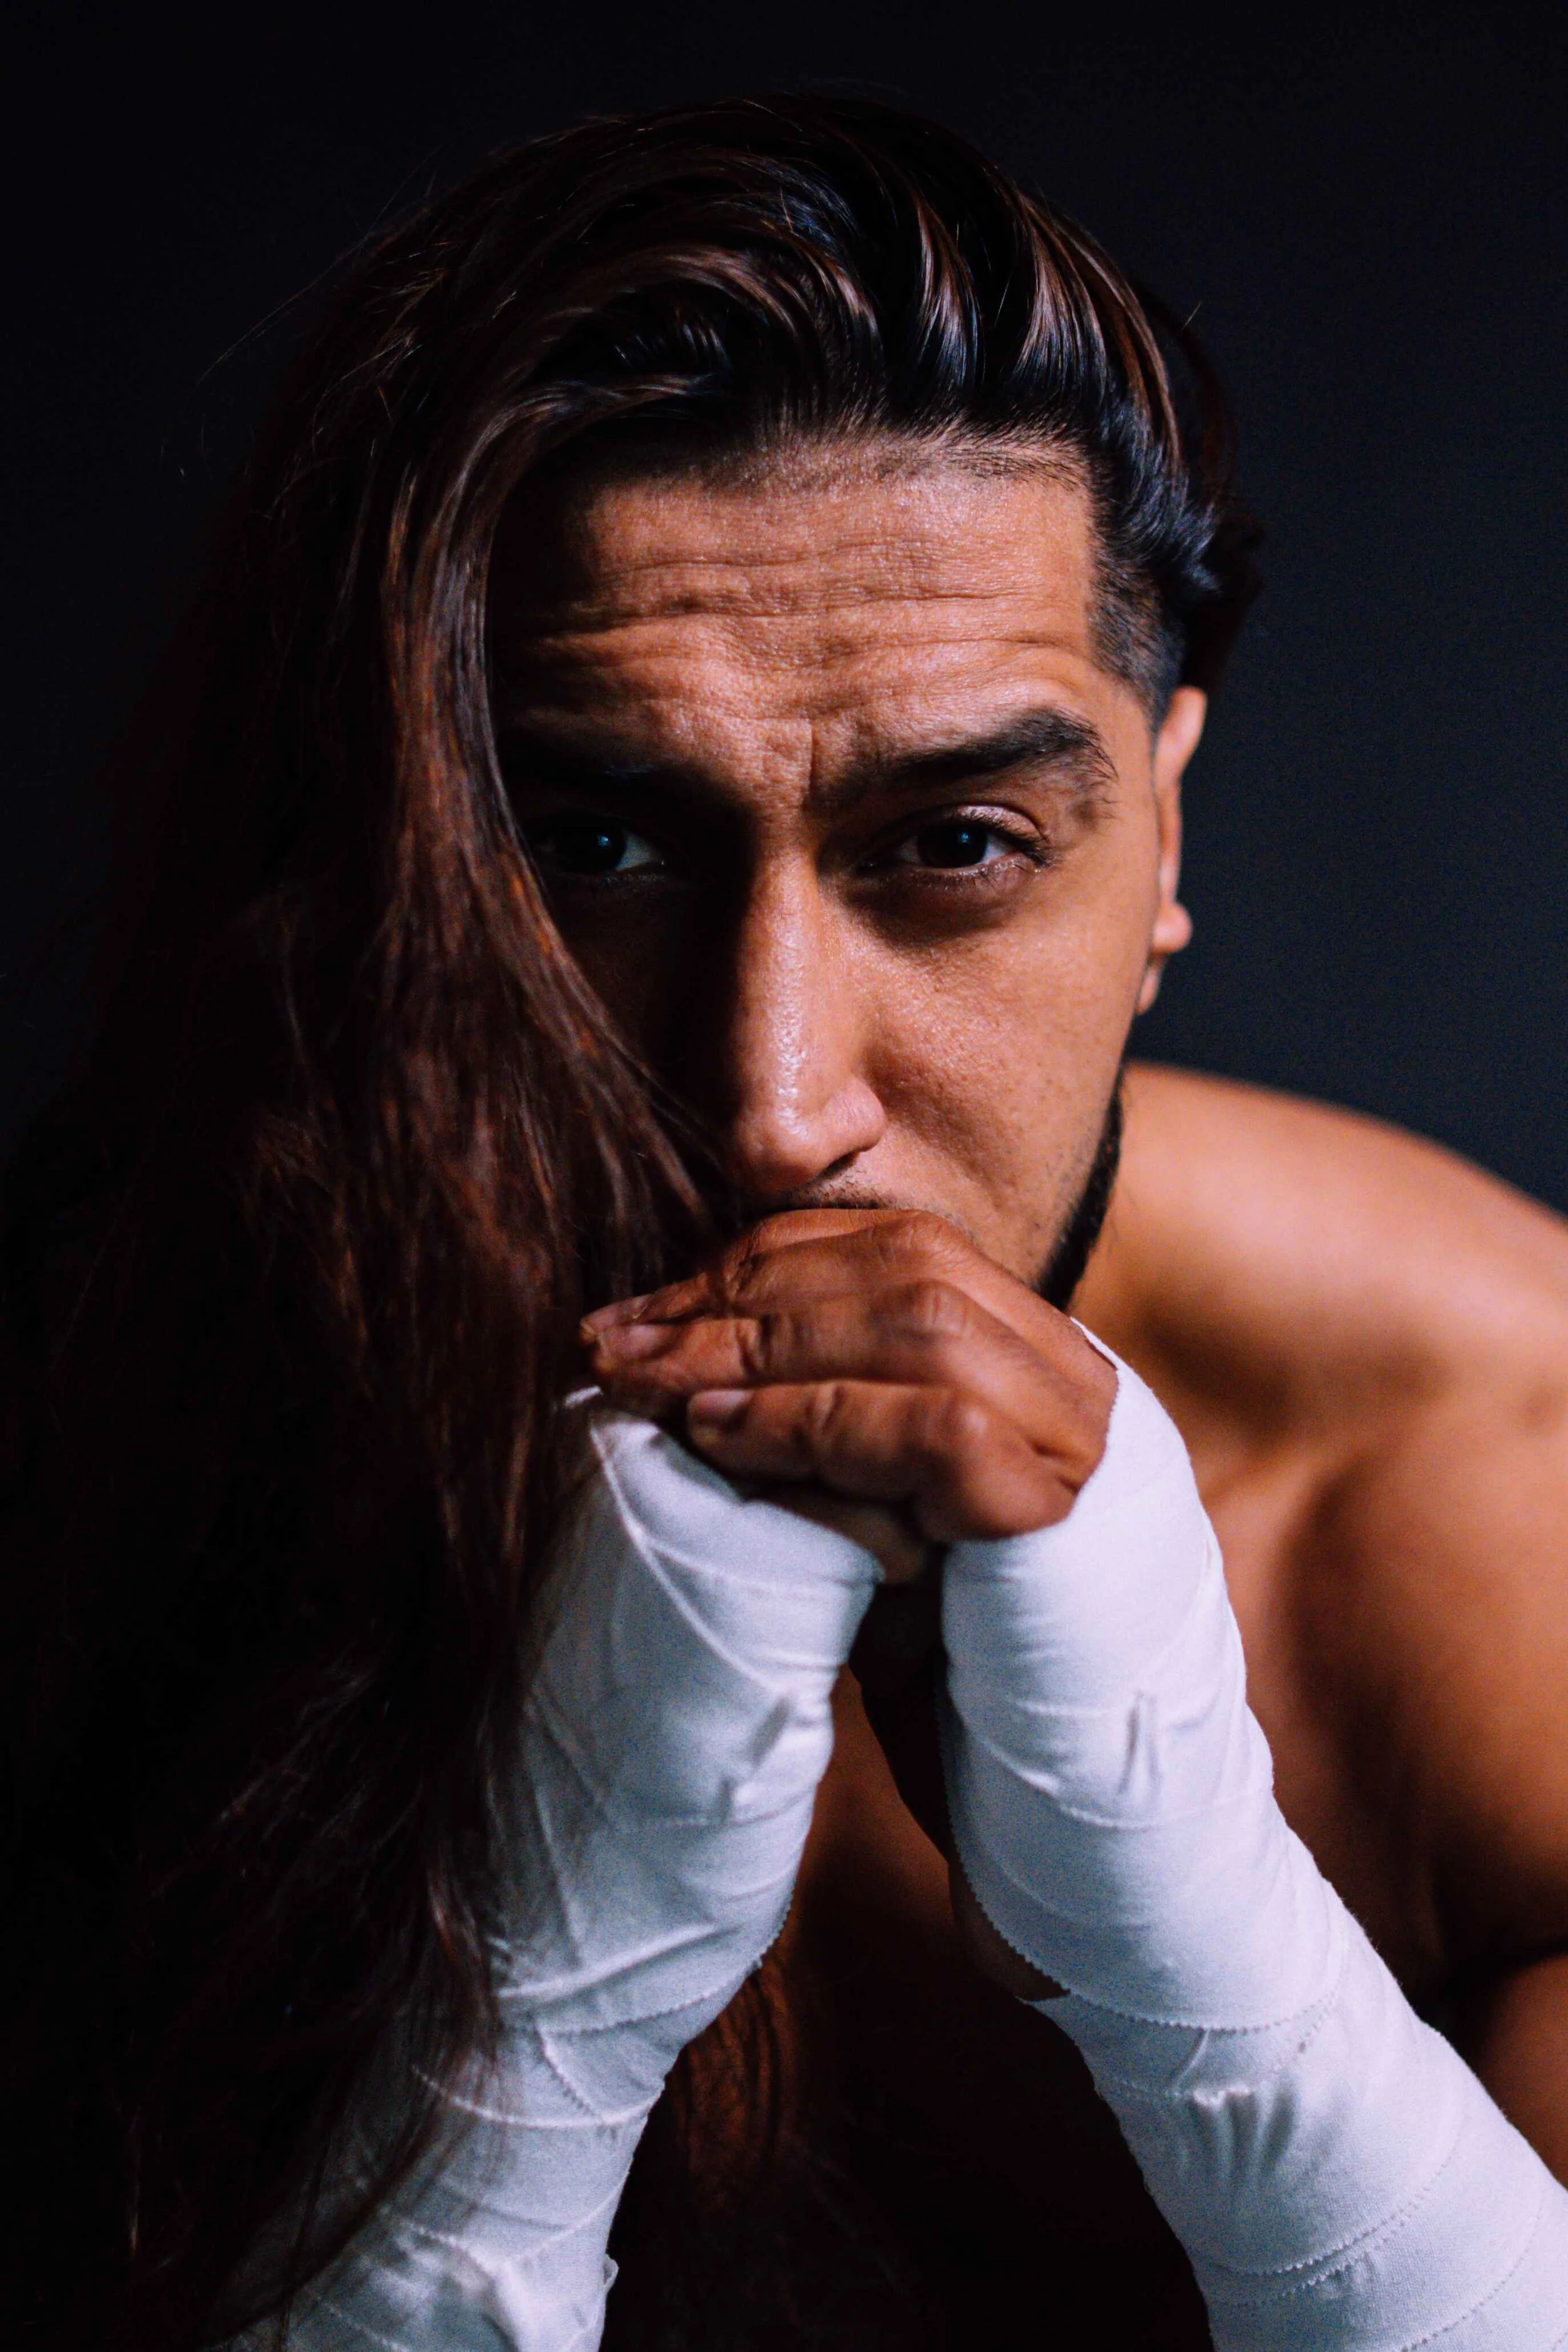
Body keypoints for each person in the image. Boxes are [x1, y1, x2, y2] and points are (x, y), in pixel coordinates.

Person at [6, 92, 1568, 2352]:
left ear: (1160, 838)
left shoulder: (1501, 1543)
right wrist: (498, 2070)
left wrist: (1197, 1924)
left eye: (952, 844)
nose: (767, 1099)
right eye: (598, 849)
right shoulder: (110, 1439)